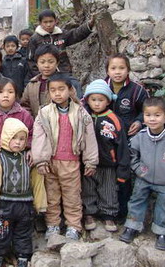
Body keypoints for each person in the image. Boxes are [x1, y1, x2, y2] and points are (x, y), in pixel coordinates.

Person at [119, 97, 165, 251]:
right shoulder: (140, 136)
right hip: (144, 178)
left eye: (157, 115)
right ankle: (132, 226)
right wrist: (139, 170)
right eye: (148, 115)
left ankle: (162, 233)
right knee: (136, 201)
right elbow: (131, 154)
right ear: (143, 117)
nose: (152, 119)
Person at [32, 73, 98, 240]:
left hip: (71, 162)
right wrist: (40, 160)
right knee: (52, 195)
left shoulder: (81, 114)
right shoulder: (44, 113)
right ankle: (52, 225)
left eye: (61, 89)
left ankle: (74, 226)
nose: (57, 93)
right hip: (50, 162)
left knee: (72, 195)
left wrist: (90, 161)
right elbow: (39, 137)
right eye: (53, 90)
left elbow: (89, 138)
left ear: (70, 90)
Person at [0, 118, 47, 267]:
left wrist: (40, 205)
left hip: (25, 205)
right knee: (1, 231)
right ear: (5, 138)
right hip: (4, 205)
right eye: (14, 138)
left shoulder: (29, 158)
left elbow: (37, 183)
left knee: (23, 232)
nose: (18, 142)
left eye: (22, 139)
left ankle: (23, 255)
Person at [82, 80, 131, 232]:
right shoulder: (84, 116)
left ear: (108, 100)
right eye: (93, 99)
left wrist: (123, 168)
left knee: (108, 189)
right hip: (87, 162)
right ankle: (89, 213)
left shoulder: (113, 119)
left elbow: (122, 144)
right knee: (87, 188)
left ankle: (109, 215)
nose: (97, 103)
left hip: (108, 163)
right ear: (87, 100)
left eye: (101, 100)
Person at [104, 53, 149, 220]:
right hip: (105, 141)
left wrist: (139, 121)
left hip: (128, 141)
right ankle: (106, 212)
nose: (117, 72)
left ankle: (124, 213)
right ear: (107, 70)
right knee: (106, 175)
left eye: (121, 68)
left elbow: (148, 110)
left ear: (128, 70)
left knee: (125, 174)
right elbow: (87, 105)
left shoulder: (137, 91)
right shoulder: (101, 87)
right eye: (113, 68)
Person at [0, 78, 34, 163]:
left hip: (20, 158)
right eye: (1, 92)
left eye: (10, 92)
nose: (5, 95)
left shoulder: (24, 114)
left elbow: (31, 134)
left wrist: (30, 149)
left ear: (16, 95)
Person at [27, 9, 94, 75]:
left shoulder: (62, 34)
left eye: (51, 21)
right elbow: (30, 60)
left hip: (64, 73)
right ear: (40, 23)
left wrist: (89, 25)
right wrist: (40, 75)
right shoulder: (34, 39)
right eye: (45, 22)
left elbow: (76, 34)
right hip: (45, 76)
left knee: (75, 84)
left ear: (56, 21)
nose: (48, 24)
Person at [21, 45, 58, 119]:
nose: (46, 65)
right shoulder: (31, 84)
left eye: (51, 62)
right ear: (37, 64)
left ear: (57, 63)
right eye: (42, 62)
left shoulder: (64, 83)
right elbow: (25, 106)